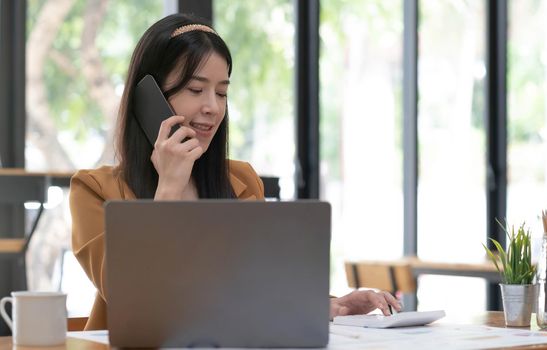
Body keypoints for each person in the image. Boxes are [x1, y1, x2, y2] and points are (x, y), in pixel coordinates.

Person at [70, 13, 401, 331]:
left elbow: (257, 292)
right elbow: (131, 296)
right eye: (196, 90)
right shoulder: (95, 190)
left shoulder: (241, 182)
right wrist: (169, 189)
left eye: (222, 92)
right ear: (148, 98)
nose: (212, 107)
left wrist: (331, 306)